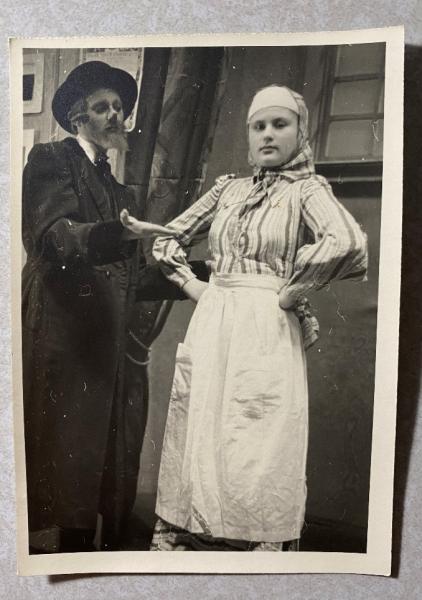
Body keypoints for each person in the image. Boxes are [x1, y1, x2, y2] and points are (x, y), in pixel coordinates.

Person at [122, 85, 368, 551]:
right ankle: (183, 528)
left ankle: (262, 540)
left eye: (281, 124)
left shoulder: (306, 191)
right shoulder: (229, 189)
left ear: (301, 131)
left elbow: (347, 242)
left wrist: (291, 292)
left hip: (266, 325)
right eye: (259, 126)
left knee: (259, 428)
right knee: (201, 420)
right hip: (216, 315)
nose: (268, 135)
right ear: (249, 134)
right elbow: (168, 238)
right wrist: (197, 288)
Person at [22, 60, 208, 553]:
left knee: (101, 457)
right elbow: (55, 239)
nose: (115, 116)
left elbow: (126, 278)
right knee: (69, 456)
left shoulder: (115, 186)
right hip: (66, 333)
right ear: (78, 116)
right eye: (102, 107)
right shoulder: (51, 160)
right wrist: (119, 233)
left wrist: (198, 273)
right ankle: (62, 563)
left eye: (120, 108)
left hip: (106, 337)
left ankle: (88, 554)